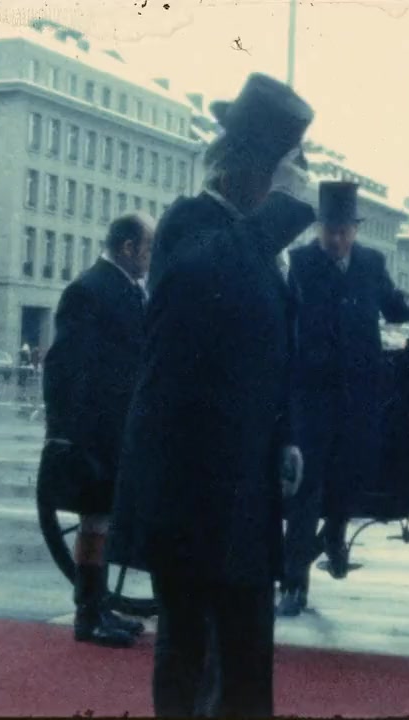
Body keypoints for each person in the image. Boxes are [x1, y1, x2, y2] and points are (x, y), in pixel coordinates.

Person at [107, 73, 314, 718]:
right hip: (188, 480)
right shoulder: (188, 222)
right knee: (189, 647)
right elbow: (205, 282)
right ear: (248, 169)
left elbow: (270, 349)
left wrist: (287, 436)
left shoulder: (250, 240)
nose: (296, 181)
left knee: (249, 648)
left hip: (243, 479)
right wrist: (283, 212)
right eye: (288, 168)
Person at [277, 181, 409, 618]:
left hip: (360, 392)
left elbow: (389, 302)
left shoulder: (370, 262)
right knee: (307, 489)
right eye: (330, 230)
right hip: (312, 393)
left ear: (355, 230)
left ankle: (334, 534)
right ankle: (294, 584)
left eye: (344, 231)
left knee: (351, 475)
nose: (337, 239)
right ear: (319, 228)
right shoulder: (299, 263)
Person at [40, 212, 155, 648]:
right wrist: (65, 431)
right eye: (147, 248)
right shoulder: (89, 290)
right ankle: (88, 614)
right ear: (128, 247)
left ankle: (99, 606)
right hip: (96, 429)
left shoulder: (123, 288)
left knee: (102, 519)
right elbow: (64, 366)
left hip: (117, 426)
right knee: (95, 520)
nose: (151, 258)